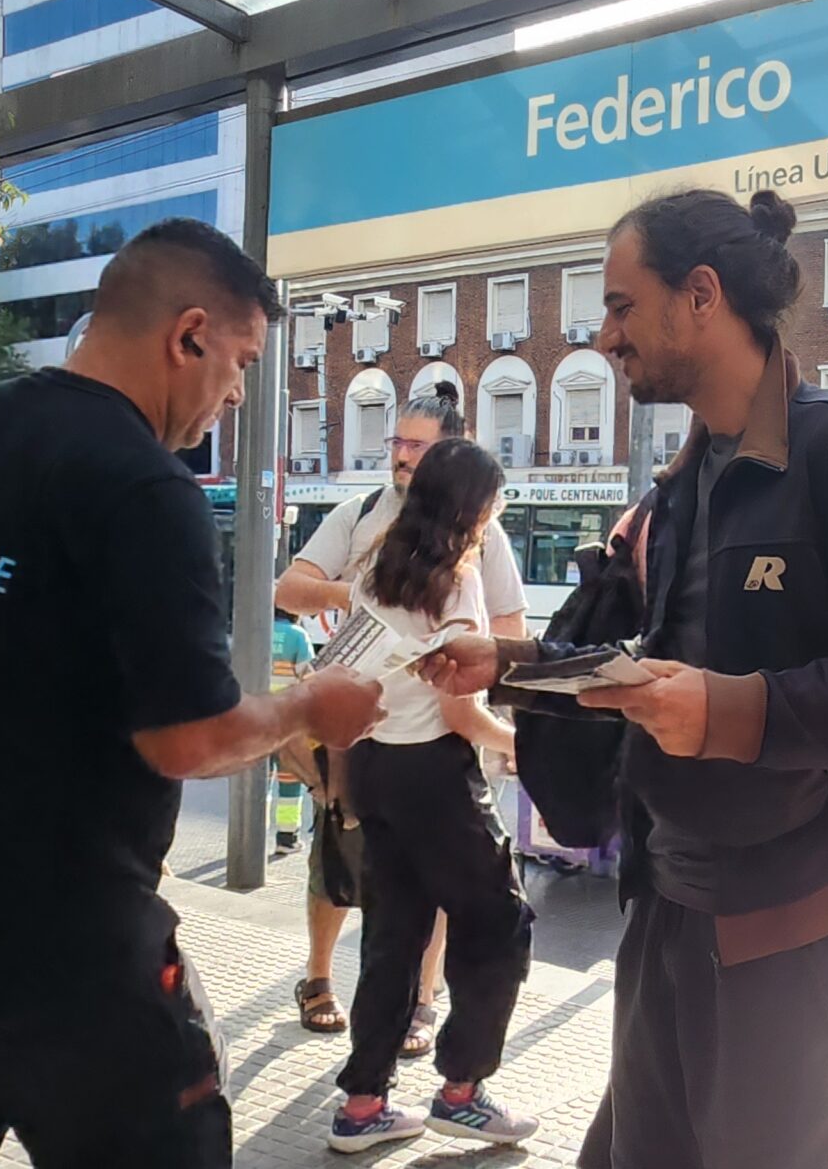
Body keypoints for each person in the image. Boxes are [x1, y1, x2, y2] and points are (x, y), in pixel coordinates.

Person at [422, 188, 828, 1169]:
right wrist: (513, 664)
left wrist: (730, 710)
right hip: (668, 909)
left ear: (702, 295)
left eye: (622, 305)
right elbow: (656, 669)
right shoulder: (681, 490)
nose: (605, 335)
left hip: (801, 929)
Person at [0, 219, 385, 1167]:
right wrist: (307, 707)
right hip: (64, 957)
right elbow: (187, 738)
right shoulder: (147, 489)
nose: (238, 393)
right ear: (188, 334)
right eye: (241, 362)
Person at [273, 378, 526, 1047]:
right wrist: (387, 593)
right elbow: (289, 589)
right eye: (397, 442)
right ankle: (334, 989)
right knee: (358, 877)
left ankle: (407, 1023)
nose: (402, 455)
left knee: (398, 916)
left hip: (406, 752)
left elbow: (507, 632)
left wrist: (385, 596)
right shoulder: (366, 517)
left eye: (418, 446)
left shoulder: (480, 546)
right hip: (386, 752)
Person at [328, 436, 537, 1153]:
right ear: (474, 508)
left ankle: (362, 1104)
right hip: (435, 777)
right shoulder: (455, 581)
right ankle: (462, 1092)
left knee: (393, 934)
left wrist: (341, 780)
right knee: (500, 920)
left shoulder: (374, 571)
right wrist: (515, 742)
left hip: (375, 767)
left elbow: (343, 677)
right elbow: (460, 710)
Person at [271, 609, 317, 852]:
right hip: (288, 724)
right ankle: (286, 839)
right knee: (289, 784)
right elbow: (308, 678)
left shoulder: (254, 632)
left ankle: (252, 839)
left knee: (257, 785)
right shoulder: (298, 635)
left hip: (256, 722)